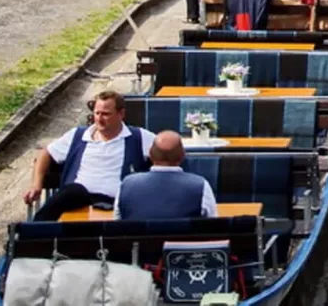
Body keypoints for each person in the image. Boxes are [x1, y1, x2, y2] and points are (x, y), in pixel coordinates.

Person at [23, 91, 154, 221]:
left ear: (121, 114)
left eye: (106, 114)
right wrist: (36, 184)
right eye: (97, 113)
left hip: (118, 201)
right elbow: (45, 153)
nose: (99, 119)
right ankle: (33, 234)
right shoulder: (78, 135)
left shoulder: (138, 136)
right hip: (79, 197)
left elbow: (169, 148)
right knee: (71, 192)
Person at [115, 132, 216, 220]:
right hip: (183, 241)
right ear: (182, 155)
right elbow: (213, 223)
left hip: (137, 242)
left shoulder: (126, 185)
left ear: (150, 153)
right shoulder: (201, 185)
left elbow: (117, 222)